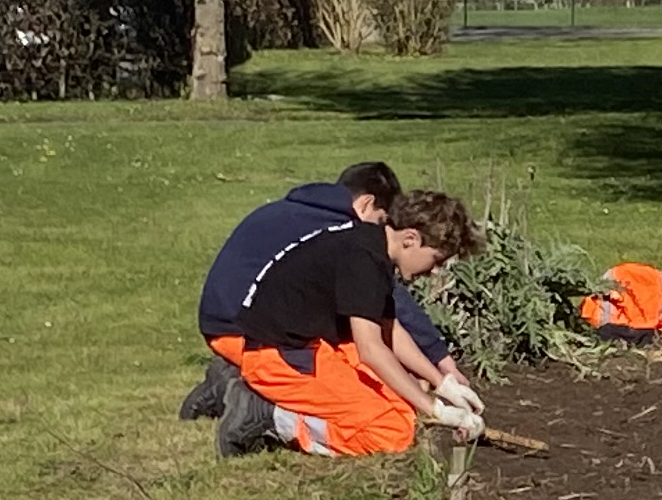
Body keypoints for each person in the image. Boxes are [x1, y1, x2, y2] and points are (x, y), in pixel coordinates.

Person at [183, 161, 462, 436]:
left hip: (250, 324)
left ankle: (236, 383)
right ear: (367, 205)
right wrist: (436, 399)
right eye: (382, 219)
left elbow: (385, 317)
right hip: (245, 334)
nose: (384, 226)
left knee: (396, 399)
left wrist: (441, 380)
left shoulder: (308, 217)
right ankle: (264, 413)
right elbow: (379, 326)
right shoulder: (356, 245)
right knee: (389, 427)